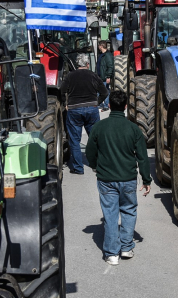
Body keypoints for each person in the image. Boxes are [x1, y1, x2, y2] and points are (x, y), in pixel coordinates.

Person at [86, 90, 152, 265]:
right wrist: (146, 180)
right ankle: (126, 248)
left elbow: (90, 152)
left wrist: (95, 166)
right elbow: (143, 157)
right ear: (125, 107)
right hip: (128, 178)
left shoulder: (99, 127)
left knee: (110, 215)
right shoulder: (133, 129)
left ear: (109, 106)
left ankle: (112, 253)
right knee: (129, 211)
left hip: (106, 179)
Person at [61, 53, 108, 175]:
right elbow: (104, 93)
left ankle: (78, 168)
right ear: (88, 64)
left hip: (74, 109)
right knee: (94, 138)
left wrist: (65, 103)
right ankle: (97, 165)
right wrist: (96, 103)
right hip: (91, 109)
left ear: (77, 65)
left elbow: (61, 91)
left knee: (75, 140)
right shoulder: (93, 76)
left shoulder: (70, 76)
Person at [96, 41, 114, 111]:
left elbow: (110, 66)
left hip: (104, 77)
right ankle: (100, 104)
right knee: (99, 91)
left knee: (105, 91)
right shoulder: (102, 54)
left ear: (101, 46)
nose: (98, 47)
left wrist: (108, 76)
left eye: (98, 46)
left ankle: (106, 105)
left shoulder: (108, 55)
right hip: (100, 77)